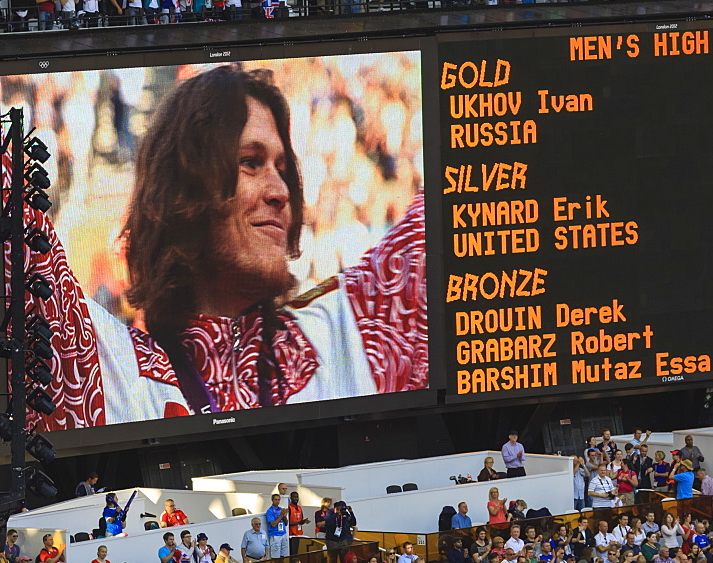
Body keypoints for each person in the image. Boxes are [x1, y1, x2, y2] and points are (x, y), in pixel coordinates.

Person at [26, 64, 428, 429]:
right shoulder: (113, 371)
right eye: (250, 163)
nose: (280, 192)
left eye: (283, 170)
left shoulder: (344, 335)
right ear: (183, 188)